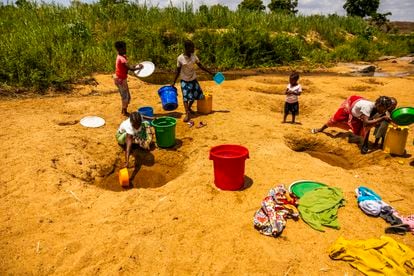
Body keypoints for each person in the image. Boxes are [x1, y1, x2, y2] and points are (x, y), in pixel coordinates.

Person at [311, 95, 394, 154]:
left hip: (359, 113)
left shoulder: (378, 109)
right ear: (379, 105)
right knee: (335, 120)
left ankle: (364, 145)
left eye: (386, 109)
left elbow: (368, 125)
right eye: (384, 108)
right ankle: (321, 129)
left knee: (365, 128)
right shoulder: (368, 107)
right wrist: (382, 119)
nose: (384, 111)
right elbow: (366, 122)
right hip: (350, 106)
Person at [171, 40, 214, 122]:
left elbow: (201, 66)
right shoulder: (180, 58)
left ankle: (189, 108)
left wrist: (211, 73)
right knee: (186, 97)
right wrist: (173, 81)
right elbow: (177, 71)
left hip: (193, 79)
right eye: (192, 47)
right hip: (184, 80)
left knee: (196, 95)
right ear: (187, 48)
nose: (194, 49)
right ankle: (187, 114)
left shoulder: (194, 56)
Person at [115, 112, 155, 187]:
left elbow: (143, 116)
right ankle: (137, 142)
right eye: (135, 125)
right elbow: (128, 146)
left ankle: (138, 141)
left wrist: (152, 118)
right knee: (132, 139)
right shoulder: (129, 127)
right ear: (131, 123)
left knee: (146, 124)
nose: (137, 127)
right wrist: (127, 162)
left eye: (138, 125)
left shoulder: (139, 118)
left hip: (134, 134)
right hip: (122, 137)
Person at [114, 41, 143, 117]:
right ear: (119, 49)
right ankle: (124, 111)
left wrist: (136, 66)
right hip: (120, 80)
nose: (125, 49)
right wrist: (138, 68)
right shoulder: (122, 59)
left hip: (120, 79)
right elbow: (130, 68)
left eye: (125, 48)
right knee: (125, 96)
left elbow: (128, 67)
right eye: (124, 48)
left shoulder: (121, 57)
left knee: (126, 95)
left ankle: (124, 109)